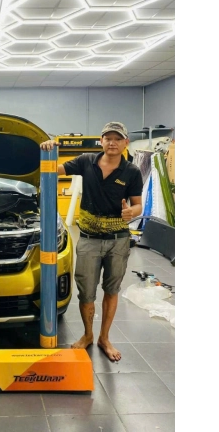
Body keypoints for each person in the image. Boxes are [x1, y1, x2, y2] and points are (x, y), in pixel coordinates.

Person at [40, 122, 143, 362]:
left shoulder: (132, 171)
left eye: (117, 138)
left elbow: (137, 204)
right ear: (101, 141)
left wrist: (132, 212)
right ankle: (88, 335)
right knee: (86, 292)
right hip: (88, 240)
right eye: (108, 138)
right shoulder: (86, 161)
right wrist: (48, 149)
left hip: (118, 240)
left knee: (111, 290)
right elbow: (53, 170)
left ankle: (104, 338)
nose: (112, 142)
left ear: (125, 143)